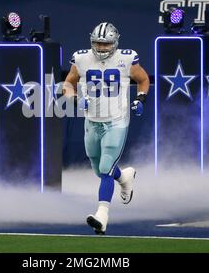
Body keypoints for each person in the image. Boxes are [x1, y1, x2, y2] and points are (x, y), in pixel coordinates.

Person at [63, 22, 150, 234]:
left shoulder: (127, 58)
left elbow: (143, 79)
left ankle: (102, 215)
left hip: (117, 121)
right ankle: (125, 177)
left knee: (105, 169)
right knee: (99, 169)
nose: (102, 48)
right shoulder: (81, 58)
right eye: (98, 43)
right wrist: (74, 99)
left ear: (115, 43)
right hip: (92, 121)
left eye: (106, 44)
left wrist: (140, 99)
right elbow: (68, 83)